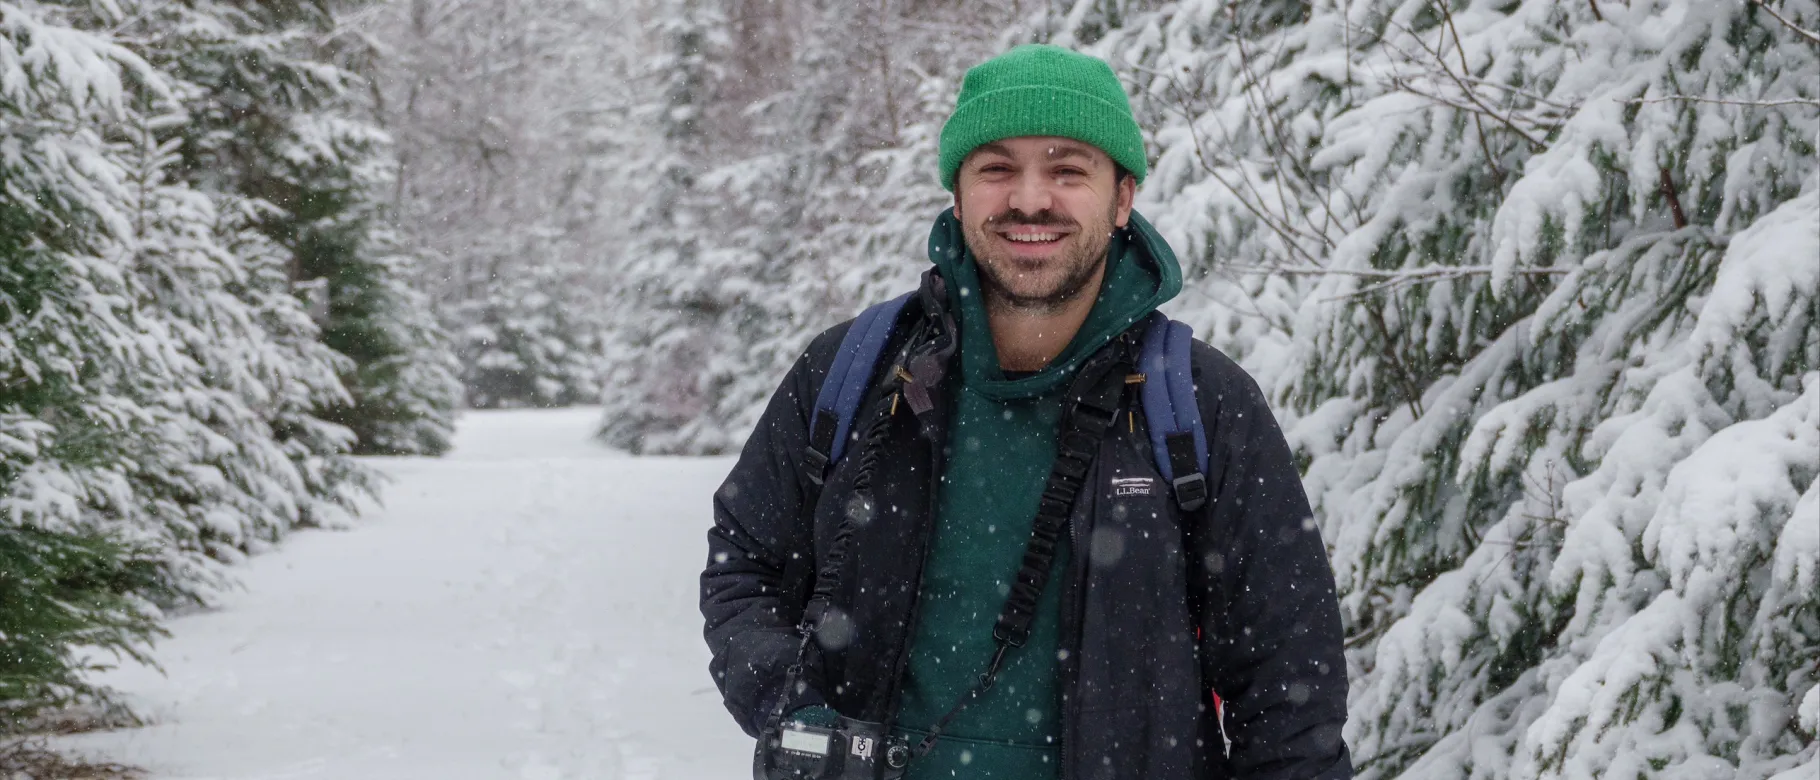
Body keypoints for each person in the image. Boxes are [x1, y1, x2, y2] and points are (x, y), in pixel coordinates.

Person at [702, 44, 1351, 780]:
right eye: (997, 169)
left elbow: (1289, 686)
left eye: (1068, 170)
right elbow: (743, 564)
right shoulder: (855, 372)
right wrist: (791, 706)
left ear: (1122, 198)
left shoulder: (1201, 404)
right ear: (957, 195)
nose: (1031, 200)